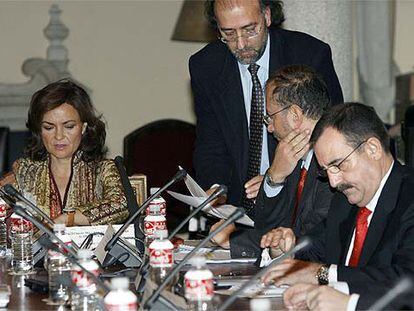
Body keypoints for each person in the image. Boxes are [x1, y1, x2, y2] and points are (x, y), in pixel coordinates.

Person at [190, 0, 343, 216]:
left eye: (249, 30)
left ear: (267, 16)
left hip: (297, 202)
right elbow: (211, 142)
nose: (241, 44)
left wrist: (276, 180)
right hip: (237, 207)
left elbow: (331, 135)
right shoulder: (206, 66)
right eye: (229, 34)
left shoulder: (310, 54)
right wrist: (216, 189)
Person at [260, 103, 414, 298]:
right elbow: (312, 250)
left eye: (338, 165)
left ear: (372, 149)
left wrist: (323, 274)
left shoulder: (408, 198)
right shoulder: (345, 201)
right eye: (327, 171)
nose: (333, 182)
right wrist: (284, 249)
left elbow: (406, 282)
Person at [210, 65, 335, 258]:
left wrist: (233, 239)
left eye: (270, 117)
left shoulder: (333, 166)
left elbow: (304, 239)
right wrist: (274, 178)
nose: (269, 128)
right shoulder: (293, 159)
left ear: (295, 115)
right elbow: (270, 227)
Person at [0, 80, 129, 226]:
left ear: (83, 127)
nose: (59, 136)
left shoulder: (102, 169)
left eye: (69, 126)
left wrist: (68, 218)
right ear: (39, 131)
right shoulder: (25, 171)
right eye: (49, 128)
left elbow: (122, 204)